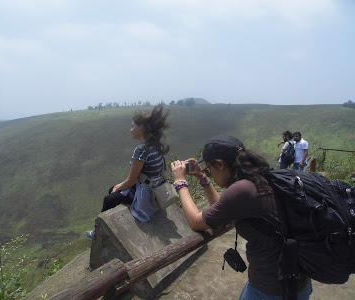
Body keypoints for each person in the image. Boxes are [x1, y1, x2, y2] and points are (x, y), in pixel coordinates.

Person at [170, 135, 312, 300]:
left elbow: (196, 222)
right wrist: (203, 178)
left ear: (220, 164)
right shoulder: (259, 179)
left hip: (271, 289)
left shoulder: (242, 190)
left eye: (209, 169)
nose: (210, 174)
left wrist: (180, 182)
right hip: (297, 282)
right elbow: (223, 210)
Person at [86, 104, 169, 239]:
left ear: (142, 128)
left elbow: (131, 180)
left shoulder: (141, 150)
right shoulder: (155, 145)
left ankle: (98, 233)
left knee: (109, 198)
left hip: (145, 193)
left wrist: (119, 186)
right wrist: (119, 186)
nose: (130, 129)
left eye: (132, 126)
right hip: (154, 187)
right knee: (114, 189)